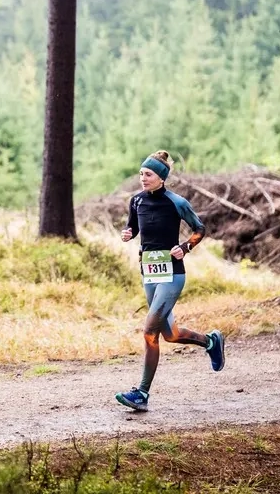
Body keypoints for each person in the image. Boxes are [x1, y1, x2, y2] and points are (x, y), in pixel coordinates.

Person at [115, 151, 226, 412]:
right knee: (170, 334)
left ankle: (141, 393)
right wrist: (128, 234)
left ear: (162, 178)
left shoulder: (177, 202)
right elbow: (134, 229)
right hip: (150, 274)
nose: (143, 178)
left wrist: (185, 247)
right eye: (141, 174)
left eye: (149, 174)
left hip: (172, 275)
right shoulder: (137, 201)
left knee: (149, 332)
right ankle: (210, 342)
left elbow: (200, 229)